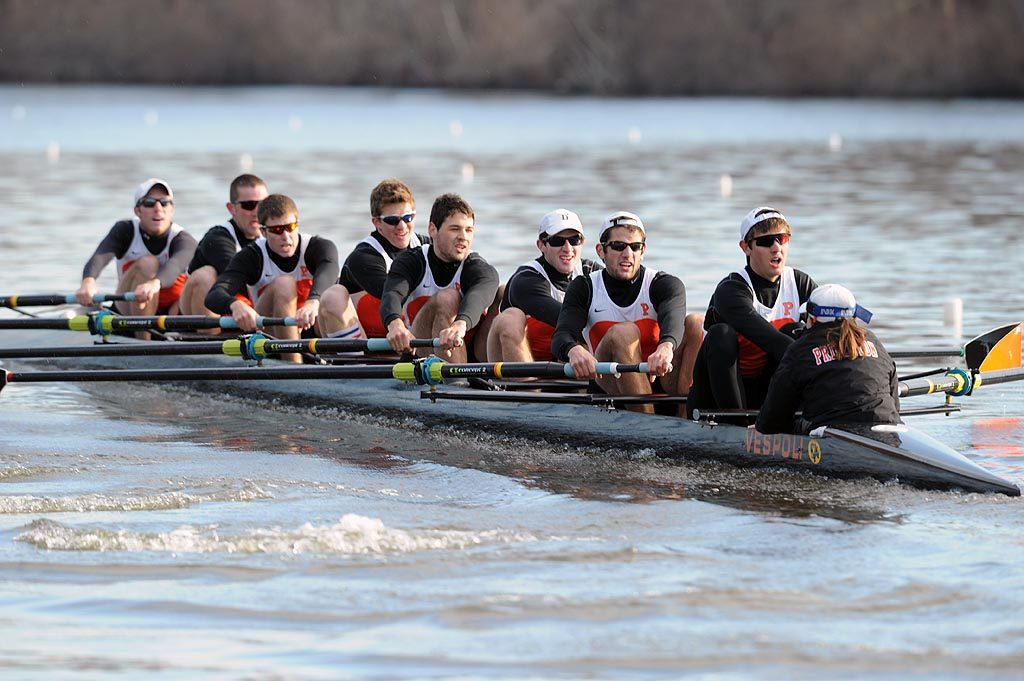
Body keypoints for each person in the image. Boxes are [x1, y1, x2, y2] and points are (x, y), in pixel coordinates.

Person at [550, 211, 704, 413]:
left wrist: (666, 347)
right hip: (610, 384)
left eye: (635, 246)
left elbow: (673, 318)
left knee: (696, 322)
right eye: (618, 246)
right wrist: (573, 349)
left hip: (663, 377)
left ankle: (687, 415)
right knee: (624, 332)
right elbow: (561, 335)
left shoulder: (664, 284)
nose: (627, 253)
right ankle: (648, 421)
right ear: (601, 251)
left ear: (643, 251)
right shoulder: (585, 287)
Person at [688, 206, 817, 419]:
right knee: (722, 334)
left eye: (782, 239)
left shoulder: (800, 283)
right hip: (716, 396)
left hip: (765, 389)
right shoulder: (731, 290)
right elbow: (770, 339)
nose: (776, 248)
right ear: (746, 247)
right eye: (766, 242)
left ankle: (789, 418)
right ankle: (736, 424)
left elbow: (832, 332)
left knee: (795, 330)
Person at [204, 193, 350, 362]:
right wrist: (235, 305)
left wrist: (313, 301)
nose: (286, 237)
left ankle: (348, 363)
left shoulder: (319, 247)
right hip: (270, 332)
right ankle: (294, 365)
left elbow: (330, 271)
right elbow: (213, 296)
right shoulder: (251, 256)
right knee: (284, 283)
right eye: (277, 230)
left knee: (338, 293)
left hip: (311, 325)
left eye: (290, 227)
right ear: (263, 232)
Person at [755, 284, 901, 434]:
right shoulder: (872, 340)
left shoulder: (800, 349)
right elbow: (895, 403)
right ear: (854, 316)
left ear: (813, 318)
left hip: (832, 434)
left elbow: (770, 423)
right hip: (889, 425)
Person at [380, 193, 499, 363]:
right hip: (416, 352)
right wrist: (394, 324)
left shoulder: (476, 266)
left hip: (470, 354)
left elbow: (486, 285)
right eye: (455, 229)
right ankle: (456, 384)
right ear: (432, 230)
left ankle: (514, 382)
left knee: (501, 293)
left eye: (468, 230)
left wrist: (460, 324)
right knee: (447, 297)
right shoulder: (412, 261)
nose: (463, 237)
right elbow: (392, 293)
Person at [75, 178, 197, 336]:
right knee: (148, 263)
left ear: (172, 209)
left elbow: (175, 265)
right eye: (149, 203)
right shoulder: (125, 231)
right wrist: (88, 282)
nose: (158, 209)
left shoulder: (183, 240)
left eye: (164, 202)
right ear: (137, 211)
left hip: (172, 312)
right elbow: (100, 255)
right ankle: (144, 341)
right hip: (128, 310)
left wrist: (155, 283)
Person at [487, 209, 600, 363]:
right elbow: (562, 317)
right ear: (541, 245)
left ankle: (585, 384)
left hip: (567, 359)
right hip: (523, 363)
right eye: (557, 241)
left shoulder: (592, 272)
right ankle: (527, 386)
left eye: (574, 240)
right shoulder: (526, 279)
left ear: (582, 243)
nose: (567, 248)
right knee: (511, 318)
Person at [336, 178, 430, 340]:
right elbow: (393, 295)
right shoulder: (364, 257)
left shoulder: (427, 245)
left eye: (408, 218)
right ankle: (355, 362)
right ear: (376, 222)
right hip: (366, 338)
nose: (402, 226)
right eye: (393, 220)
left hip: (408, 332)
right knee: (333, 294)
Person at [179, 174, 270, 330]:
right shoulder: (218, 238)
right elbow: (241, 282)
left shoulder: (278, 236)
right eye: (249, 205)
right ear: (232, 208)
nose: (256, 212)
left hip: (243, 309)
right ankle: (209, 344)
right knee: (205, 275)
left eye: (262, 205)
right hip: (204, 312)